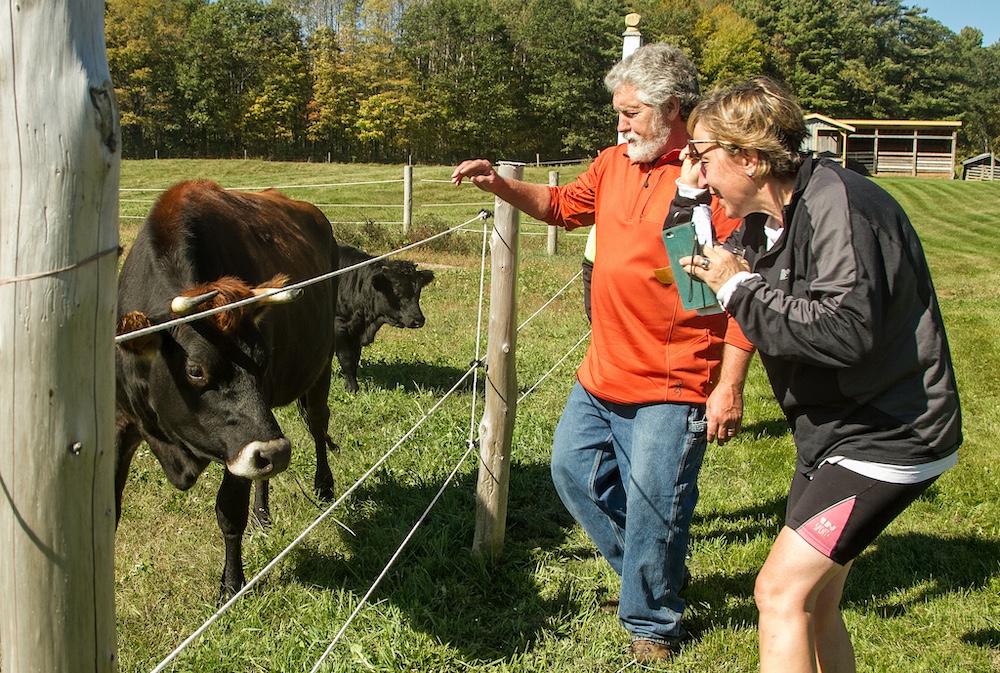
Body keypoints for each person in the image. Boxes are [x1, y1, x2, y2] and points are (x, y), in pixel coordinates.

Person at [452, 43, 755, 661]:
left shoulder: (711, 180)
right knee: (572, 474)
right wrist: (500, 185)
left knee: (653, 503)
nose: (620, 125)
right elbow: (566, 207)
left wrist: (728, 386)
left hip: (673, 381)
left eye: (631, 114)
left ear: (672, 109)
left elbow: (736, 296)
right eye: (618, 113)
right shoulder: (614, 162)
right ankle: (656, 569)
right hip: (603, 370)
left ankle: (652, 622)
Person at [677, 77, 962, 673]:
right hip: (834, 433)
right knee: (815, 600)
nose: (698, 173)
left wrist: (737, 285)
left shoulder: (838, 205)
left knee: (778, 594)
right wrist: (686, 204)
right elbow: (701, 285)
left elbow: (845, 331)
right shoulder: (767, 216)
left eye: (702, 157)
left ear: (750, 159)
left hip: (889, 434)